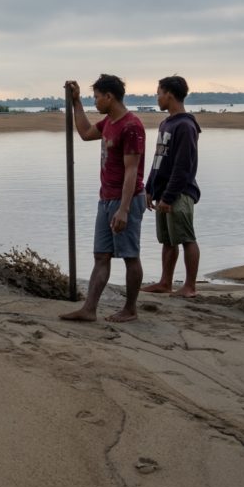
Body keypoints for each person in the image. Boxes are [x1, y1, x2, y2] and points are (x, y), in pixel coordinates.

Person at [60, 74, 146, 323]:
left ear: (110, 96)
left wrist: (124, 209)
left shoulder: (131, 126)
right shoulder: (109, 122)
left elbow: (132, 170)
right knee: (101, 255)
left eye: (97, 97)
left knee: (130, 255)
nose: (95, 102)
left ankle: (130, 308)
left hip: (125, 200)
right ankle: (89, 308)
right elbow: (86, 132)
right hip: (106, 198)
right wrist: (76, 102)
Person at [142, 75, 201, 297]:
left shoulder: (185, 125)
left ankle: (190, 286)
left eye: (158, 93)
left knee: (186, 238)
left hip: (179, 193)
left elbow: (183, 166)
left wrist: (168, 197)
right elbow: (158, 160)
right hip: (163, 192)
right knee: (167, 240)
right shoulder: (166, 123)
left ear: (169, 94)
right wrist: (149, 189)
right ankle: (165, 282)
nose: (157, 97)